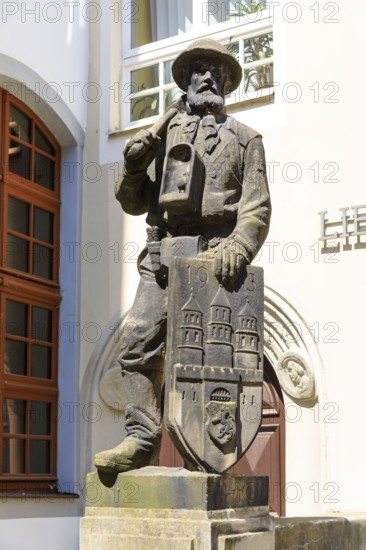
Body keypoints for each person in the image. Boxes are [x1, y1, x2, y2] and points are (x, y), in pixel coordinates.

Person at [95, 38, 271, 473]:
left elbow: (257, 207)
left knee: (214, 356)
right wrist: (134, 167)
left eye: (215, 69)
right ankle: (141, 438)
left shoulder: (247, 141)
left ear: (228, 81)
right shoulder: (166, 135)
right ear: (187, 81)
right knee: (137, 345)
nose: (207, 76)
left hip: (217, 257)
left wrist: (239, 246)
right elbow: (133, 202)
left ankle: (210, 448)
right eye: (198, 69)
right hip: (164, 256)